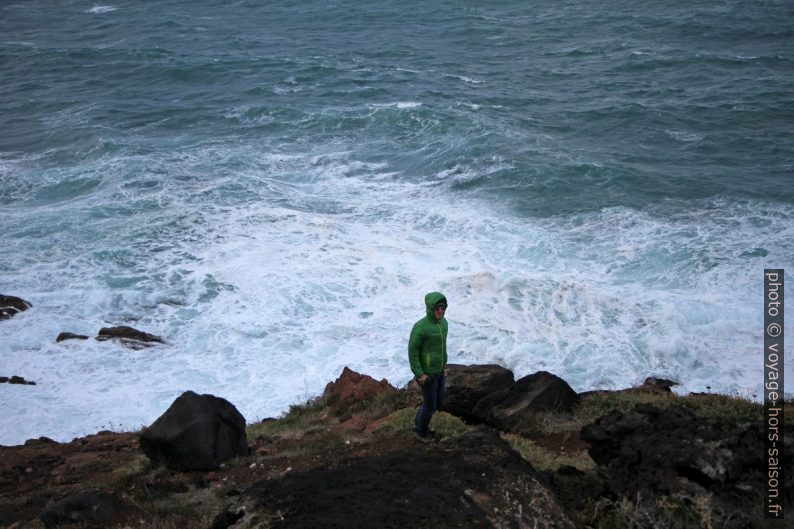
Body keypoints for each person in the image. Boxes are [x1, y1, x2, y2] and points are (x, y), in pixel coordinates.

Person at [408, 291, 448, 441]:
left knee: (437, 403)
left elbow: (442, 347)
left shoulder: (444, 324)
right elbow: (413, 352)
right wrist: (419, 374)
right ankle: (421, 432)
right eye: (437, 308)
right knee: (430, 406)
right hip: (427, 374)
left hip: (440, 371)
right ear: (431, 308)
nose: (440, 311)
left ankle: (418, 423)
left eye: (443, 308)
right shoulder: (420, 327)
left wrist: (443, 363)